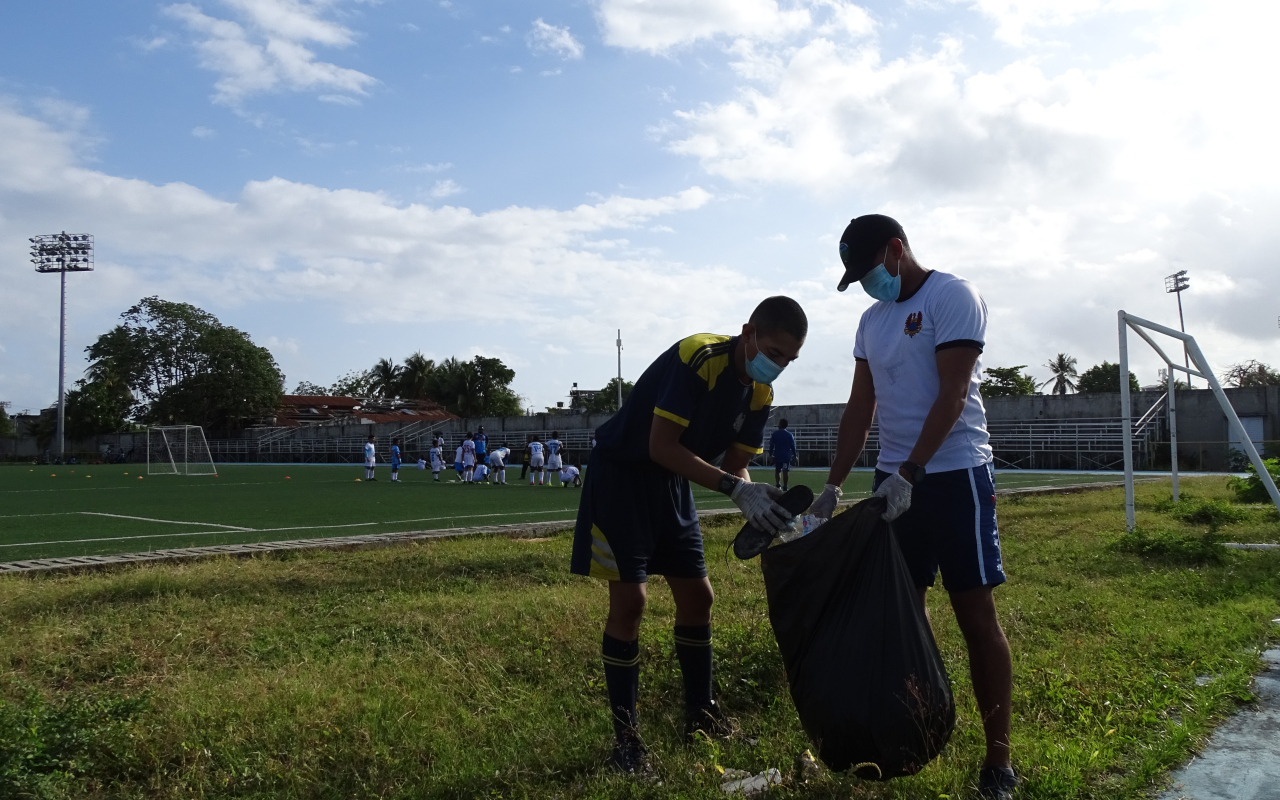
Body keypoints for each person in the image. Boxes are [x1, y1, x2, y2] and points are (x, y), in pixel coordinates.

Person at [809, 214, 1015, 800]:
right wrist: (833, 486)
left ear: (896, 250)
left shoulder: (953, 296)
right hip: (892, 482)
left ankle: (997, 761)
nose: (869, 284)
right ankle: (916, 730)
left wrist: (914, 472)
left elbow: (952, 395)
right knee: (904, 612)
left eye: (870, 270)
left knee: (976, 615)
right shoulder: (870, 322)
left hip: (954, 476)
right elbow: (859, 410)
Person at [570, 296, 808, 774]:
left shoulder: (760, 394)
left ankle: (701, 715)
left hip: (671, 484)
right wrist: (731, 489)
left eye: (789, 359)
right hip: (622, 477)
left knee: (699, 598)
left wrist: (756, 499)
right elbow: (661, 446)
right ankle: (628, 744)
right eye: (775, 352)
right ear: (749, 332)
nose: (778, 365)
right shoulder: (699, 357)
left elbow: (735, 465)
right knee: (630, 603)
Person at [768, 419, 797, 491]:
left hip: (777, 456)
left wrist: (770, 454)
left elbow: (771, 445)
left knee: (777, 471)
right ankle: (785, 487)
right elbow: (793, 446)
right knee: (785, 471)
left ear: (780, 424)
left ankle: (778, 485)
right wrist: (795, 455)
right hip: (786, 457)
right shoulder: (789, 435)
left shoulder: (775, 434)